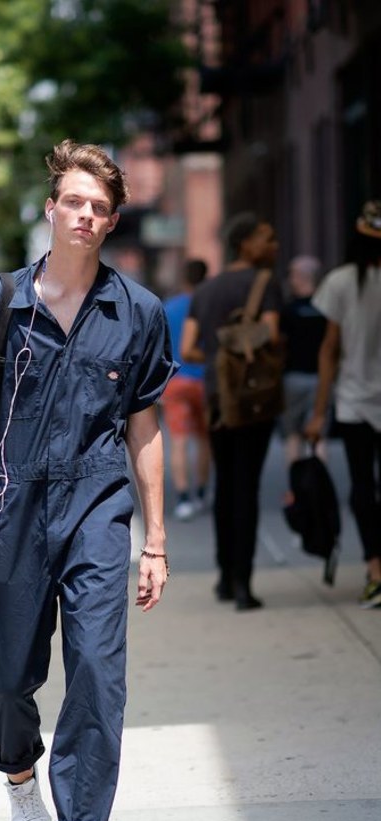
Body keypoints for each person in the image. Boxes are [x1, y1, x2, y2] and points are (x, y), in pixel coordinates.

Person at [0, 140, 175, 821]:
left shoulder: (137, 312)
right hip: (11, 507)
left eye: (99, 207)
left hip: (99, 506)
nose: (84, 215)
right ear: (52, 207)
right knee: (7, 677)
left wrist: (156, 541)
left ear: (112, 221)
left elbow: (145, 429)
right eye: (72, 200)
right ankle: (19, 776)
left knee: (97, 673)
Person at [180, 212, 282, 611]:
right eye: (266, 237)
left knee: (225, 487)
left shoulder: (204, 291)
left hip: (217, 399)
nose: (273, 245)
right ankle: (243, 583)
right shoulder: (264, 283)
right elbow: (270, 334)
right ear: (246, 244)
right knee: (247, 488)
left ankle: (224, 577)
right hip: (254, 400)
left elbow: (188, 349)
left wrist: (219, 356)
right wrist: (242, 353)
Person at [306, 200, 381, 610]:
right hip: (362, 400)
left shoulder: (340, 282)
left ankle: (375, 571)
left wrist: (318, 412)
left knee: (362, 486)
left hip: (354, 402)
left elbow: (329, 349)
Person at [161, 259, 211, 520]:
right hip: (205, 379)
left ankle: (182, 497)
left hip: (176, 380)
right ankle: (201, 493)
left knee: (178, 441)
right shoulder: (211, 306)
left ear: (185, 279)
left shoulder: (169, 307)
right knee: (204, 440)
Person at [279, 256, 327, 464]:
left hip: (293, 377)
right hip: (322, 378)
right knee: (319, 433)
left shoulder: (288, 310)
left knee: (293, 434)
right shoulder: (326, 308)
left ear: (299, 277)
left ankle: (295, 489)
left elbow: (279, 343)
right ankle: (320, 487)